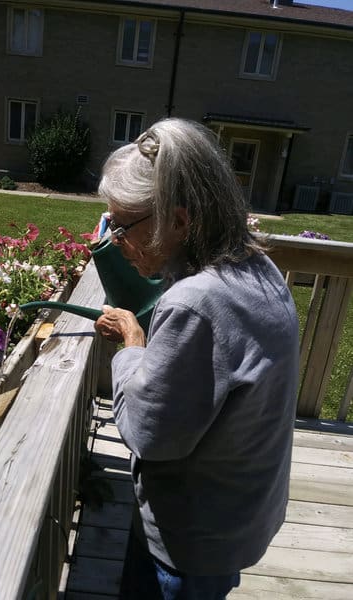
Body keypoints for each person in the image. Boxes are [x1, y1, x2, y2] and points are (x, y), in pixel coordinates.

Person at [94, 118, 299, 600]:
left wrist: (131, 344)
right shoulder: (257, 268)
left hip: (188, 541)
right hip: (234, 518)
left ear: (180, 221)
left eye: (121, 225)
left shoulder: (198, 302)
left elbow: (149, 431)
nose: (112, 239)